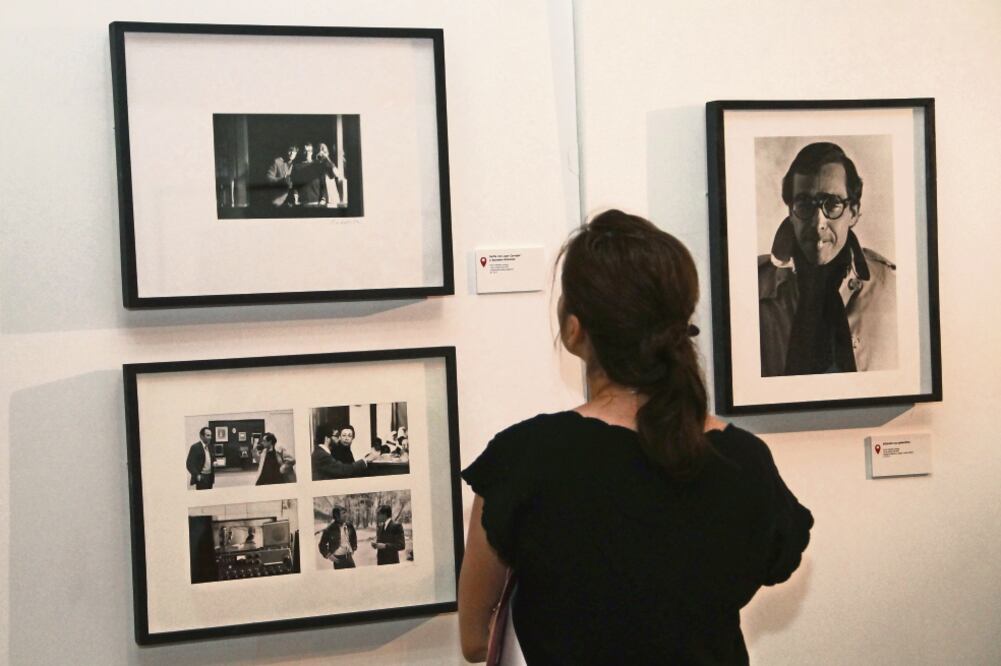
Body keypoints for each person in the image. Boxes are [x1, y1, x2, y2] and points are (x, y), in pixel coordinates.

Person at [458, 210, 813, 664]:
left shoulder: (523, 460)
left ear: (574, 329)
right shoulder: (745, 460)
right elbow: (773, 561)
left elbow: (475, 640)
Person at [759, 141, 897, 376]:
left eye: (832, 204)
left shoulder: (893, 289)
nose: (817, 222)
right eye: (804, 204)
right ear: (790, 212)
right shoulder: (753, 289)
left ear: (853, 212)